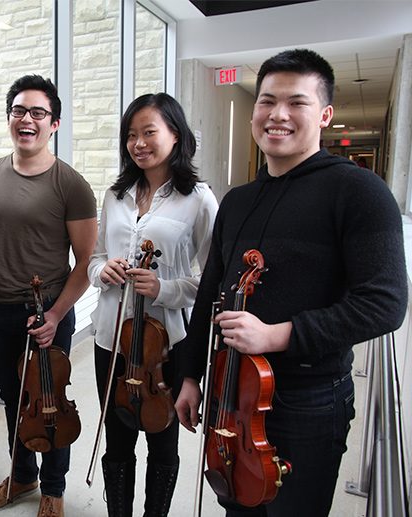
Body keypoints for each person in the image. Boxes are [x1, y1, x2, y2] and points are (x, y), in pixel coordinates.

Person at [174, 48, 407, 516]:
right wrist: (190, 375)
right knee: (237, 505)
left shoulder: (359, 190)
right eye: (266, 101)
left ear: (324, 114)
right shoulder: (238, 201)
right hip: (231, 392)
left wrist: (278, 335)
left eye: (296, 102)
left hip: (309, 401)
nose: (277, 114)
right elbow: (212, 295)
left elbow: (385, 303)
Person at [0, 75, 97, 517]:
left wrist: (58, 315)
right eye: (19, 111)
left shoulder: (71, 183)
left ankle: (54, 489)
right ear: (9, 119)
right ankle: (21, 476)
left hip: (47, 314)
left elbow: (85, 261)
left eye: (38, 112)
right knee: (14, 400)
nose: (27, 119)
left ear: (54, 123)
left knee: (50, 402)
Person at [87, 92, 218, 516]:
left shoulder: (197, 198)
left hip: (166, 343)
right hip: (111, 337)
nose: (138, 143)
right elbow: (95, 256)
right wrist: (101, 272)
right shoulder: (115, 193)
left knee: (162, 437)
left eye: (149, 132)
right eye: (131, 135)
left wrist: (164, 289)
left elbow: (212, 279)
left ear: (175, 136)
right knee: (118, 434)